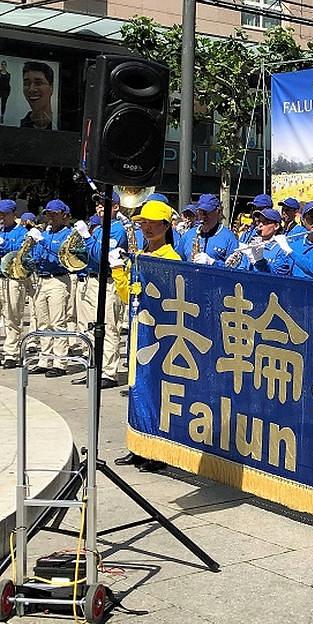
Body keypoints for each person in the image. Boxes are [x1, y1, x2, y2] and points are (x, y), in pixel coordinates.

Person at [111, 200, 180, 472]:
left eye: (152, 223)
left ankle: (158, 451)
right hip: (140, 331)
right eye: (143, 223)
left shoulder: (172, 259)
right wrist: (118, 271)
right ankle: (137, 445)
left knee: (156, 393)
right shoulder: (139, 256)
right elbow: (128, 296)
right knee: (137, 390)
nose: (147, 227)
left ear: (166, 226)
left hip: (160, 335)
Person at [71, 189, 128, 389]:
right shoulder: (97, 229)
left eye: (105, 204)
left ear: (116, 207)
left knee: (109, 326)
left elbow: (101, 255)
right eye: (98, 204)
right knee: (88, 328)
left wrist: (86, 237)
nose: (100, 207)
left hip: (109, 282)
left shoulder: (117, 229)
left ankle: (108, 373)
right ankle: (92, 369)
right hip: (90, 280)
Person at [26, 200, 75, 377]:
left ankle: (60, 361)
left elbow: (62, 255)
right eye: (48, 214)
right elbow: (37, 256)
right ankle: (44, 358)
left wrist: (42, 242)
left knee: (58, 322)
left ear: (63, 215)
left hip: (58, 279)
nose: (50, 217)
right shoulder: (44, 234)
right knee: (43, 322)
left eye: (54, 214)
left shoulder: (68, 234)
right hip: (42, 279)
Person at [274, 201, 313, 281]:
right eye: (311, 217)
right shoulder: (293, 245)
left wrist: (291, 252)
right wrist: (259, 260)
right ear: (303, 220)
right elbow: (277, 273)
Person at [0, 198, 27, 368]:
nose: (1, 217)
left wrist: (4, 243)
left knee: (12, 315)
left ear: (13, 214)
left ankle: (11, 352)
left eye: (5, 214)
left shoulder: (21, 231)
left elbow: (19, 250)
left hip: (12, 278)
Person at [179, 193, 239, 264]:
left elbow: (234, 269)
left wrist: (213, 263)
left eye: (206, 213)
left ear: (218, 212)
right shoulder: (188, 235)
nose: (202, 217)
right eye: (200, 213)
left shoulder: (229, 238)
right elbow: (178, 261)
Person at [237, 208, 292, 276]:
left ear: (276, 226)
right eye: (259, 221)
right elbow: (242, 269)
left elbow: (279, 277)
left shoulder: (282, 248)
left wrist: (260, 262)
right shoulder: (252, 244)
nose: (260, 225)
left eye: (265, 222)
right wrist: (234, 267)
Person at [20, 61, 55, 130]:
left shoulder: (62, 126)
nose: (31, 89)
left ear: (51, 87)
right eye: (27, 83)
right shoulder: (19, 127)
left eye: (38, 83)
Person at [0, 60, 10, 124]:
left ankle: (2, 116)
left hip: (5, 91)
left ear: (6, 66)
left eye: (4, 65)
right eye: (2, 64)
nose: (3, 66)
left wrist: (8, 92)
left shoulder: (8, 75)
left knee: (3, 104)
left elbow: (7, 84)